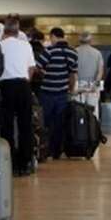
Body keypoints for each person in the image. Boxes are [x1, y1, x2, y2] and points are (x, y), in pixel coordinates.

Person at [0, 17, 36, 176]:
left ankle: (10, 161)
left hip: (5, 86)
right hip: (23, 85)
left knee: (6, 125)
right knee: (25, 125)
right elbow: (32, 68)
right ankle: (25, 162)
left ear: (4, 30)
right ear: (18, 30)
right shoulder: (25, 45)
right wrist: (26, 81)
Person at [36, 28, 78, 159]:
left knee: (46, 122)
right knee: (60, 122)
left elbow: (37, 67)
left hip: (47, 92)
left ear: (54, 36)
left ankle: (46, 149)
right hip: (62, 93)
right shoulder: (73, 53)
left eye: (51, 38)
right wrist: (71, 89)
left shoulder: (48, 51)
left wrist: (45, 74)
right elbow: (73, 75)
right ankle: (57, 151)